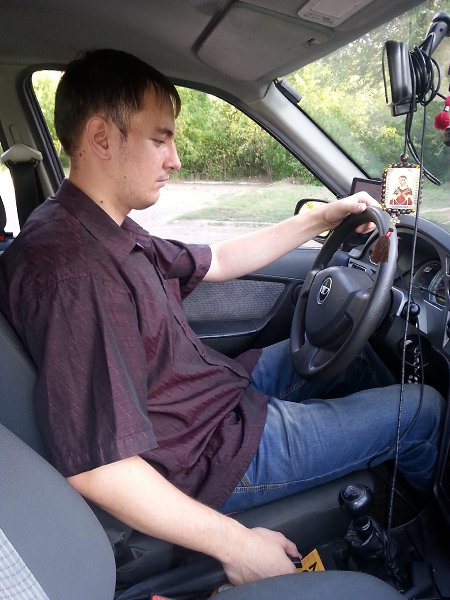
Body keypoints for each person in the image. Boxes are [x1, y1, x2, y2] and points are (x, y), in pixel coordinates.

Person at [0, 49, 443, 586]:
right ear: (101, 138)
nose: (175, 159)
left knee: (348, 354)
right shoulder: (76, 274)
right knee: (422, 411)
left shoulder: (100, 225)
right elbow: (101, 467)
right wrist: (235, 543)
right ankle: (425, 535)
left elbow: (221, 261)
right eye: (160, 139)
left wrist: (321, 219)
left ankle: (375, 461)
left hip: (210, 399)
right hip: (208, 455)